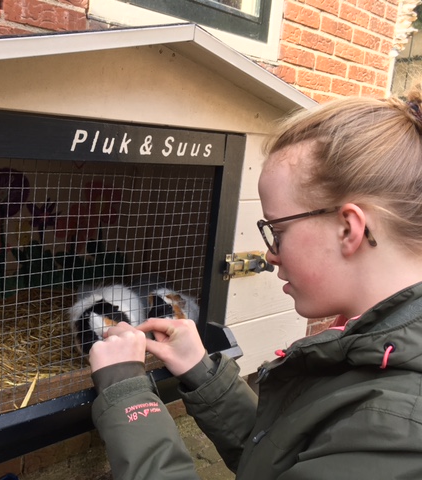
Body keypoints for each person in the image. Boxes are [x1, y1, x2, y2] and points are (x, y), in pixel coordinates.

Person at [88, 87, 422, 480]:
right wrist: (202, 372)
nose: (270, 254)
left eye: (277, 231)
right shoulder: (366, 351)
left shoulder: (398, 425)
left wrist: (129, 398)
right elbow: (281, 456)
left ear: (348, 229)